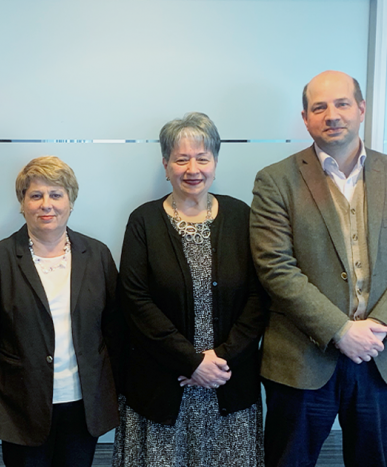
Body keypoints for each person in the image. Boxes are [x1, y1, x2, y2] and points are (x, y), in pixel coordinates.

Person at [113, 112, 266, 466]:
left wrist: (219, 359)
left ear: (215, 162)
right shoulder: (144, 221)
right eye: (181, 159)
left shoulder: (242, 216)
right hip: (162, 386)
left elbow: (259, 298)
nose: (192, 168)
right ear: (165, 165)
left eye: (202, 157)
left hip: (228, 384)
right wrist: (192, 361)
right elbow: (135, 301)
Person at [250, 71, 387, 466]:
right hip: (302, 360)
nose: (332, 115)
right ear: (306, 118)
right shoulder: (275, 181)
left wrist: (374, 328)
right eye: (319, 107)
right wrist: (340, 330)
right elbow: (275, 267)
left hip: (379, 357)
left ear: (361, 109)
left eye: (342, 104)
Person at [0, 156, 121, 467]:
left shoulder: (98, 255)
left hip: (83, 405)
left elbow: (115, 329)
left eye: (56, 194)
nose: (46, 204)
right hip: (20, 405)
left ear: (71, 201)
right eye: (35, 195)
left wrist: (116, 394)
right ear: (22, 203)